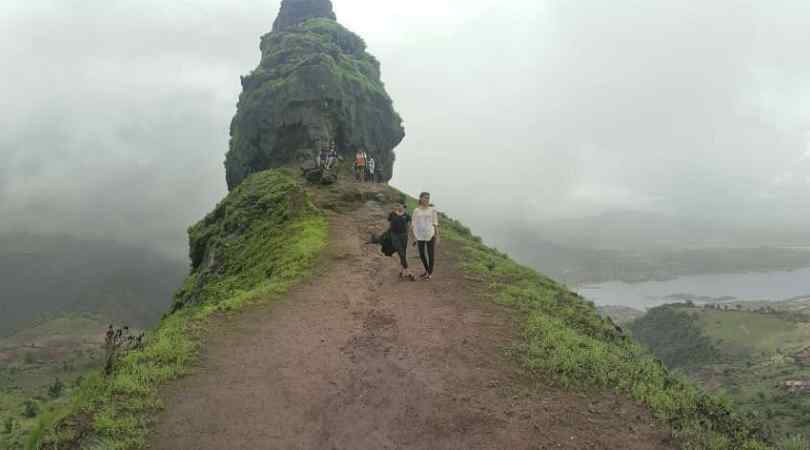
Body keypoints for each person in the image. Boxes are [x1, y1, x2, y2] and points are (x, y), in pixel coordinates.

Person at [411, 192, 439, 280]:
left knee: (431, 255)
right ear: (421, 198)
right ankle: (427, 270)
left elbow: (435, 223)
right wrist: (414, 236)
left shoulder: (432, 210)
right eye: (425, 197)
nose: (427, 199)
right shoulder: (416, 210)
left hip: (430, 234)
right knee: (422, 254)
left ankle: (429, 273)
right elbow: (413, 224)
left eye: (428, 198)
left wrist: (437, 236)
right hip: (420, 236)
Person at [388, 203, 415, 280]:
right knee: (401, 253)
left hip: (404, 236)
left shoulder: (407, 215)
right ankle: (409, 272)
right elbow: (390, 224)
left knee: (403, 253)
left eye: (400, 205)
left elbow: (409, 227)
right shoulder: (392, 214)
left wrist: (413, 237)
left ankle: (401, 271)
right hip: (395, 236)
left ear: (403, 206)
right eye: (397, 205)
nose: (398, 207)